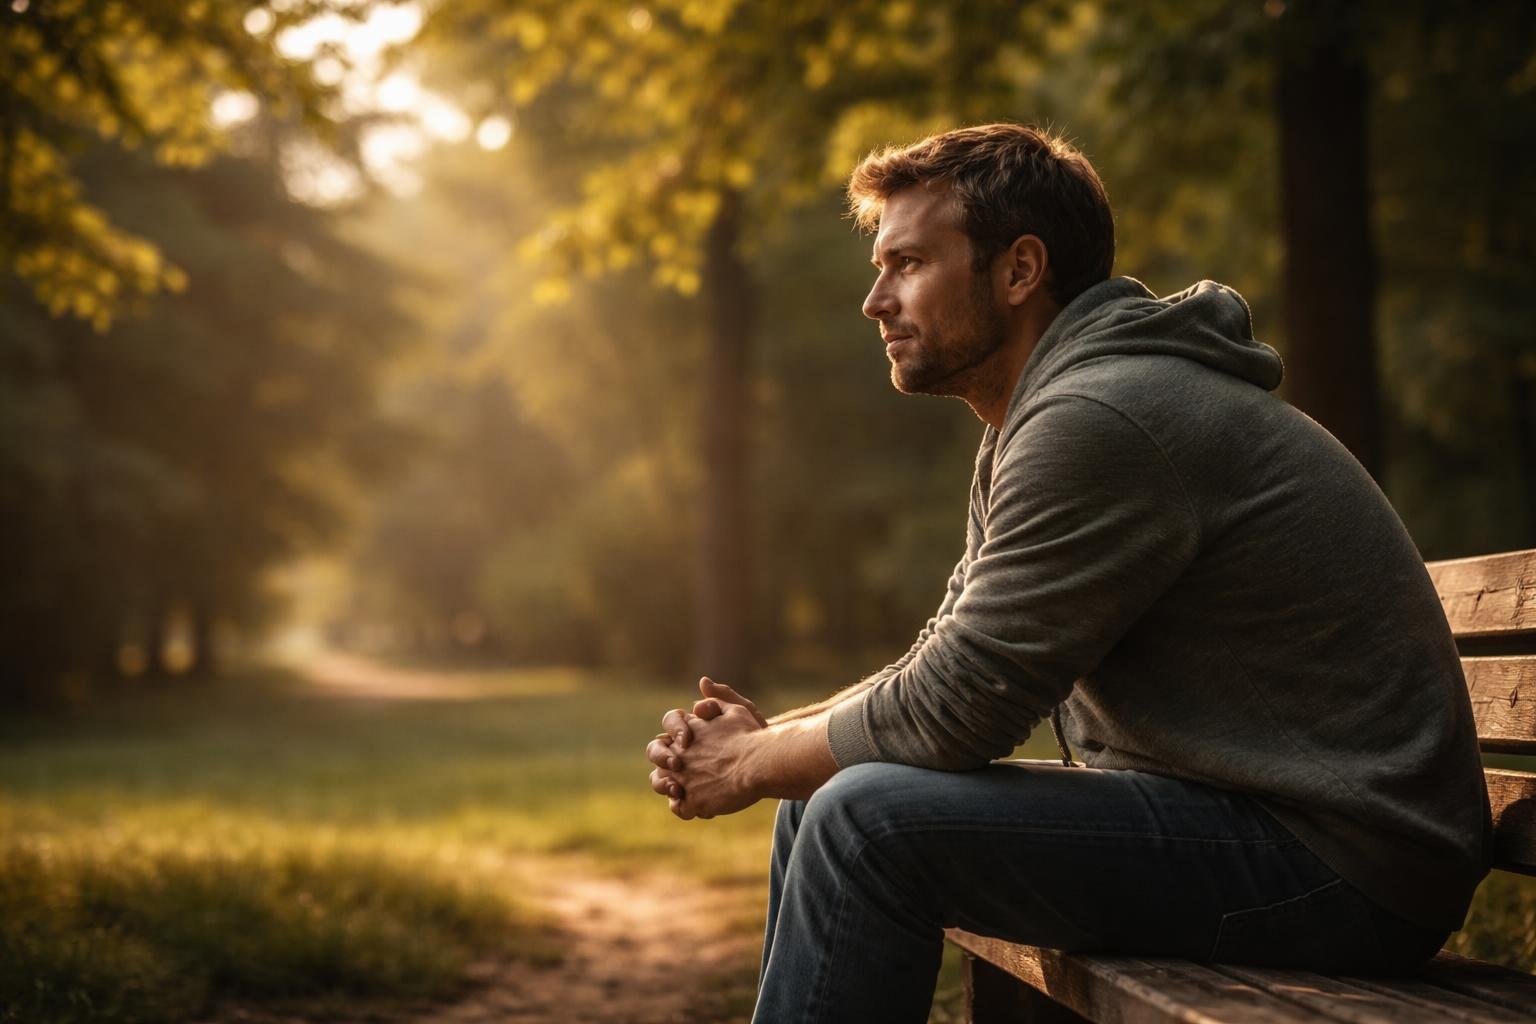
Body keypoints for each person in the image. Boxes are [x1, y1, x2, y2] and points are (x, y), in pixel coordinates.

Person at [643, 122, 1492, 1024]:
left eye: (909, 263)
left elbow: (958, 710)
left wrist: (752, 761)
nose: (875, 300)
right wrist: (777, 742)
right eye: (878, 266)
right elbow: (947, 660)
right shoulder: (1036, 418)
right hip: (1257, 822)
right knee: (818, 804)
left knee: (865, 821)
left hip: (1347, 865)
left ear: (1019, 271)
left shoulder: (1100, 418)